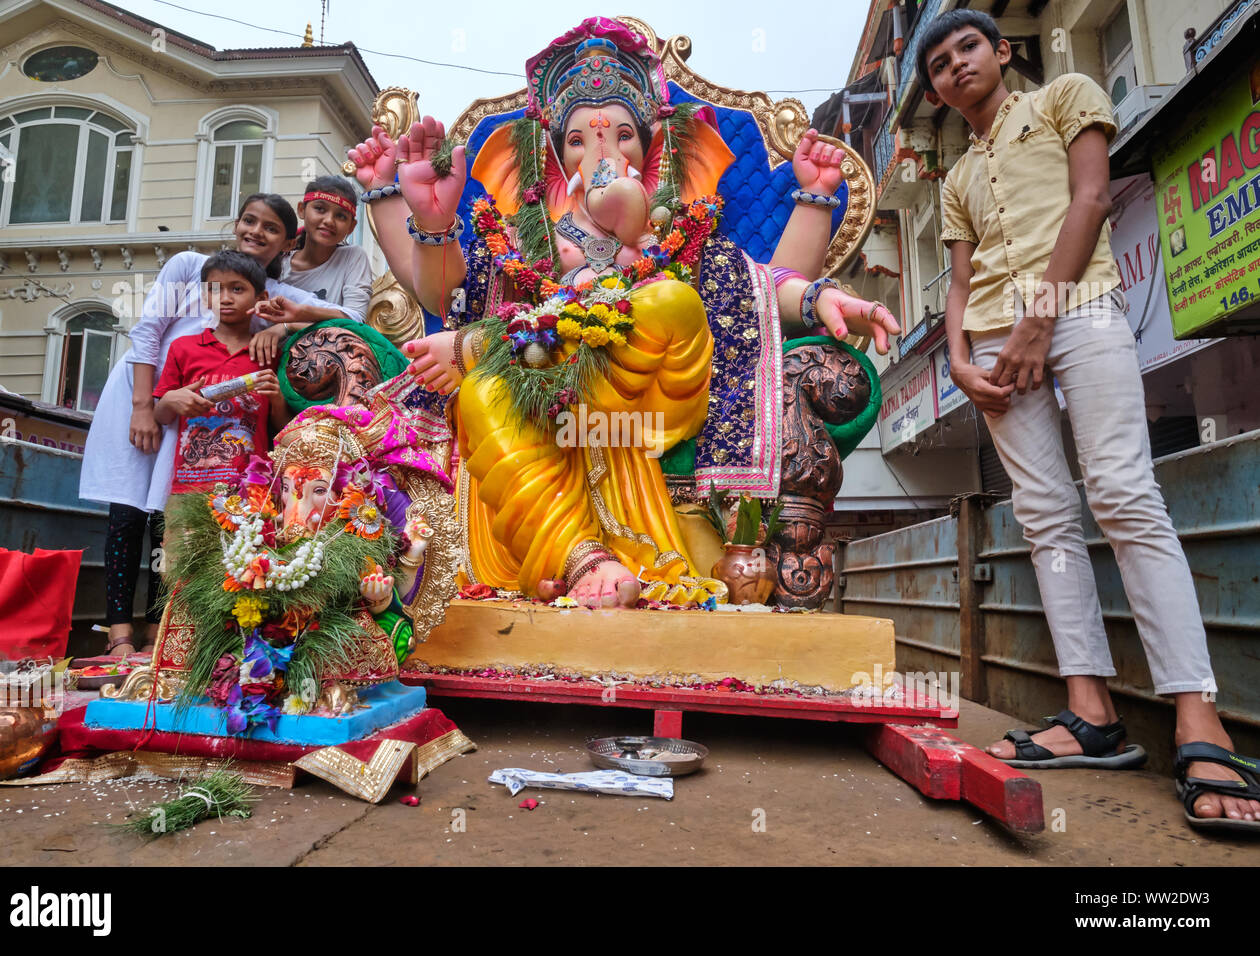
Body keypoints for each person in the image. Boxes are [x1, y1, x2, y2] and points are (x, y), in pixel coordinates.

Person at [347, 17, 899, 609]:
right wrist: (432, 221)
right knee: (483, 396)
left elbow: (758, 291)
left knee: (670, 299)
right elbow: (445, 296)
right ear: (556, 158)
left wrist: (822, 296)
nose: (602, 151)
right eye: (579, 140)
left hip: (650, 400)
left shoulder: (685, 235)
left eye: (621, 135)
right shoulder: (526, 239)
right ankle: (582, 560)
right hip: (548, 401)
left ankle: (501, 355)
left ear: (650, 147)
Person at [921, 8, 1260, 831]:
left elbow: (1093, 196)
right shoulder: (956, 179)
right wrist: (961, 362)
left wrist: (1040, 319)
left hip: (1082, 309)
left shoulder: (1069, 95)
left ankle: (1197, 717)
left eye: (969, 47)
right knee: (1044, 517)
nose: (956, 65)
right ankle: (1090, 714)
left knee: (1122, 492)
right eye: (938, 64)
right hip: (994, 344)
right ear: (935, 89)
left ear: (1002, 52)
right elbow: (959, 285)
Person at [80, 193, 361, 657]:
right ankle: (118, 638)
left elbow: (352, 317)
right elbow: (149, 330)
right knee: (125, 514)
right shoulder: (190, 266)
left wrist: (285, 326)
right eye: (249, 221)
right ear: (235, 224)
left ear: (288, 240)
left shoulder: (276, 293)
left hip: (203, 418)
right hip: (147, 390)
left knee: (166, 521)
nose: (256, 232)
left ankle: (162, 636)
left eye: (270, 228)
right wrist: (143, 407)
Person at [153, 251, 288, 498]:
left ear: (261, 298)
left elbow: (282, 429)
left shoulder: (271, 356)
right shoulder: (184, 348)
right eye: (215, 290)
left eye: (237, 289)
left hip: (250, 490)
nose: (225, 298)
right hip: (189, 490)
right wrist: (171, 400)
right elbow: (161, 416)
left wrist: (277, 399)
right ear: (205, 297)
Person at [251, 175, 375, 365]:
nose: (329, 221)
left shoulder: (353, 257)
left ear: (351, 227)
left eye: (340, 216)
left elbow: (355, 322)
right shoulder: (279, 260)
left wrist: (288, 325)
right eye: (319, 209)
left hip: (326, 362)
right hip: (264, 359)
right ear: (302, 210)